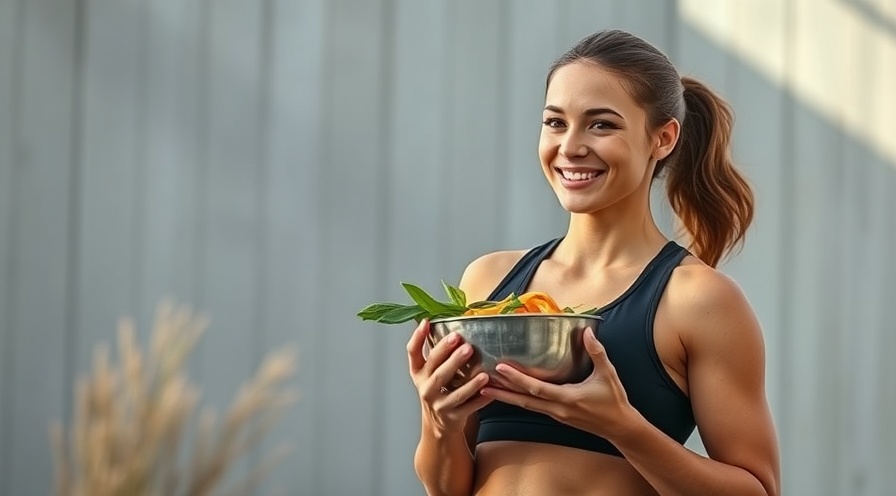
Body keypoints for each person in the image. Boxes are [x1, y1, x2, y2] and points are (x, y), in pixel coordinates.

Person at [405, 29, 781, 496]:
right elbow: (448, 489)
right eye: (555, 122)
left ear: (662, 139)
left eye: (601, 124)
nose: (571, 147)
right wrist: (437, 420)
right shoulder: (489, 279)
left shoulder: (698, 299)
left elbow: (758, 490)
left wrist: (622, 427)